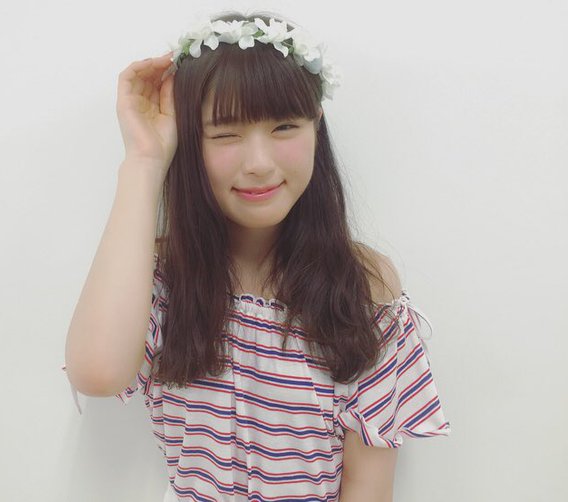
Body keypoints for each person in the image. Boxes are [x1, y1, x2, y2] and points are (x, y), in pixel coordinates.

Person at [63, 11, 451, 501]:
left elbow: (368, 487)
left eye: (285, 126)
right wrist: (144, 160)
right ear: (191, 142)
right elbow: (97, 372)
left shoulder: (362, 287)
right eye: (225, 134)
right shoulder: (162, 279)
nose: (260, 164)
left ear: (316, 126)